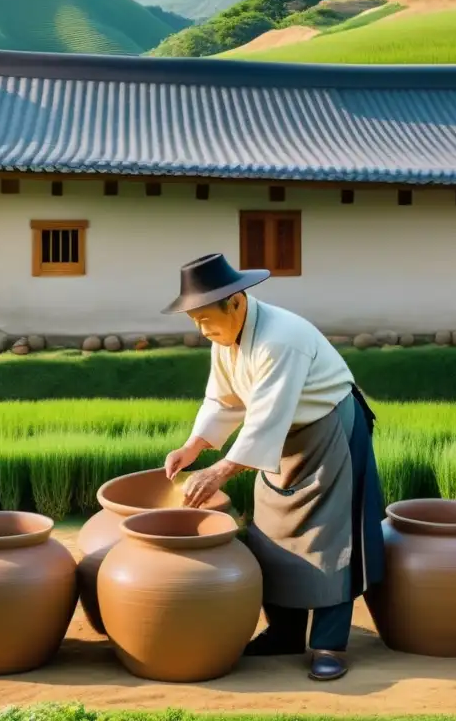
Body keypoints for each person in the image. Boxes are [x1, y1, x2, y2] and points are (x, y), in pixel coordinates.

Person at [161, 253, 386, 682]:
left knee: (328, 537)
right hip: (281, 439)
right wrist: (194, 446)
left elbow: (265, 418)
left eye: (206, 318)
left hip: (328, 432)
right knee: (269, 533)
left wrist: (219, 471)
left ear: (237, 302)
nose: (202, 329)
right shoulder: (224, 339)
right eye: (195, 320)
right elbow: (223, 400)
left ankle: (329, 644)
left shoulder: (280, 338)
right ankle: (283, 633)